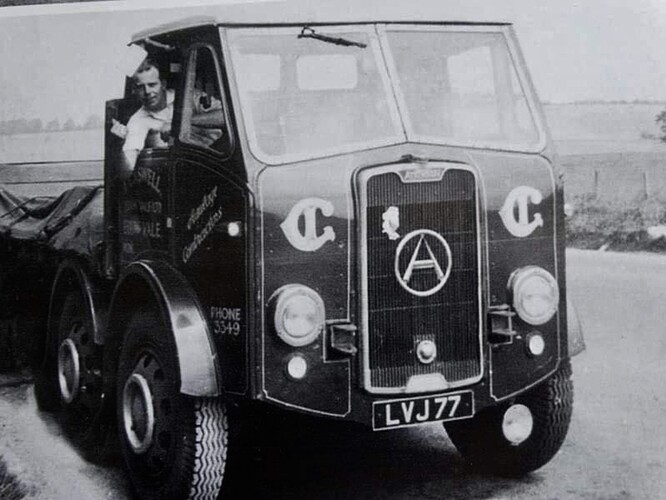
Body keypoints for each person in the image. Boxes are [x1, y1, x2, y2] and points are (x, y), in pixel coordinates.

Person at [111, 58, 225, 171]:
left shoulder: (190, 96)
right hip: (188, 168)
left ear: (163, 84)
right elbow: (126, 171)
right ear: (134, 90)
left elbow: (225, 117)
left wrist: (179, 123)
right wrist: (119, 143)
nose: (147, 92)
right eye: (140, 87)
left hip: (219, 155)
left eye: (152, 85)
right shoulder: (138, 120)